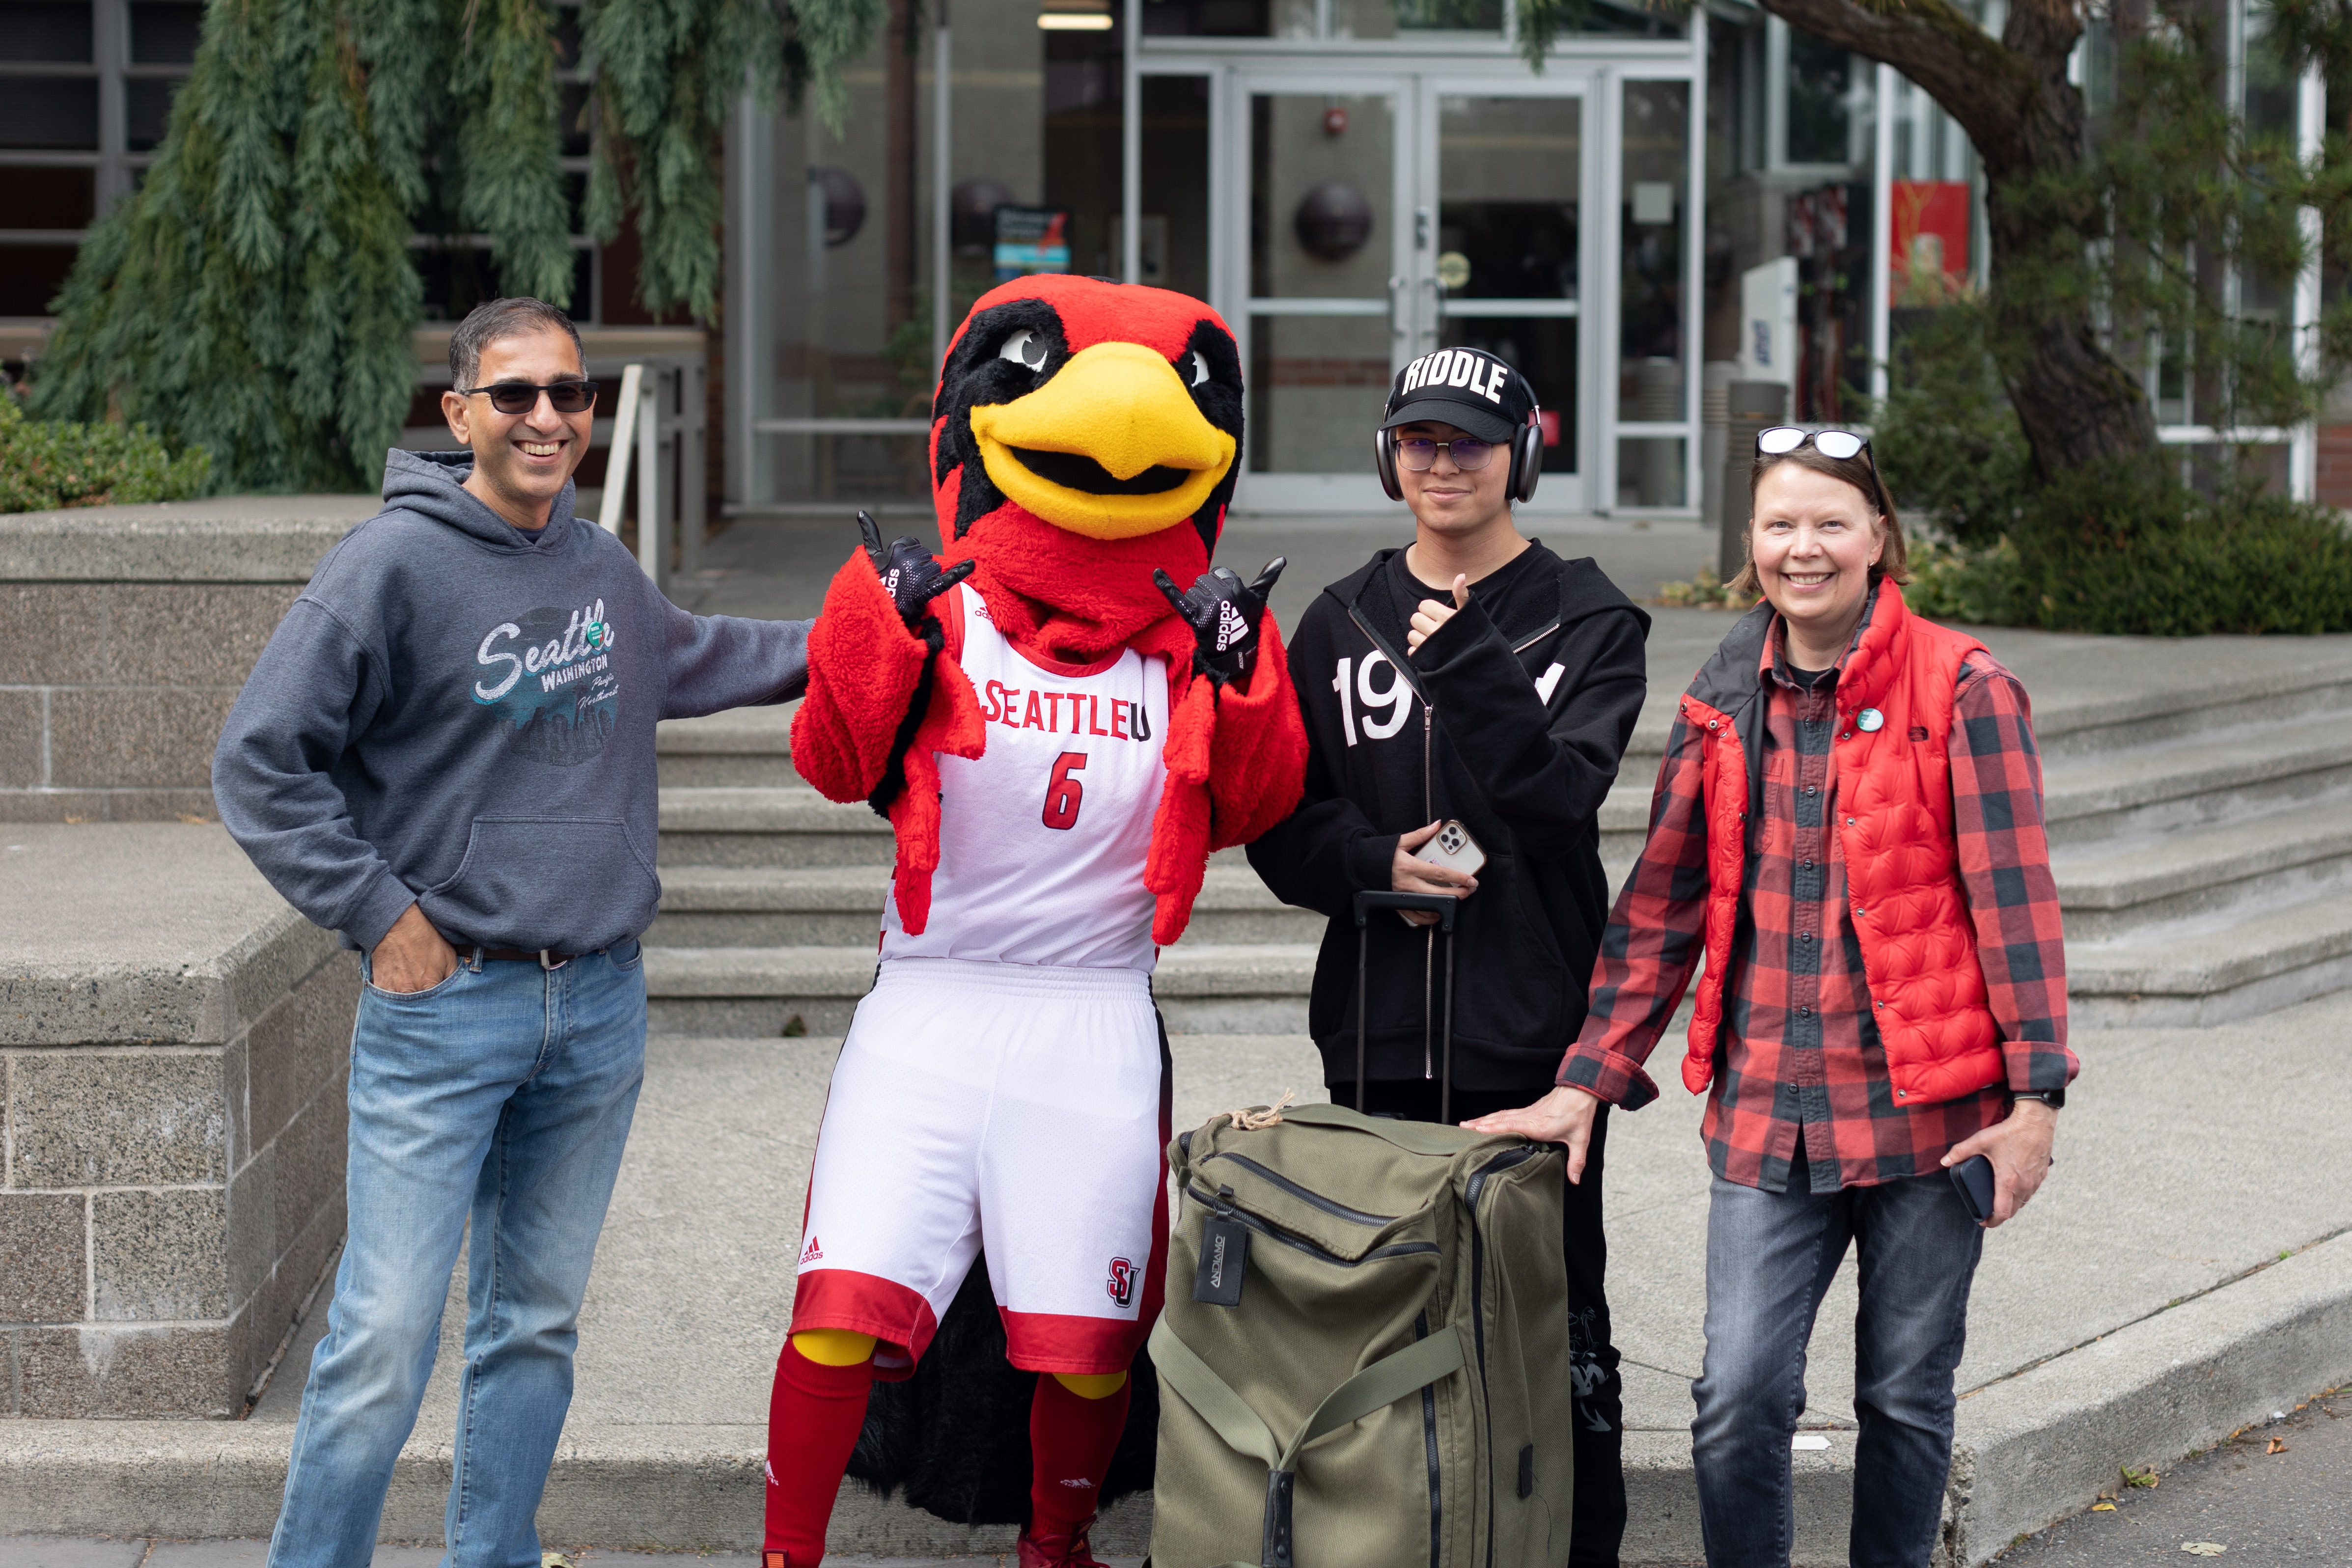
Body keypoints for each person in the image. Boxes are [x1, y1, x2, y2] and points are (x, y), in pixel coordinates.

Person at [211, 297, 815, 1568]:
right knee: (381, 1332)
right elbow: (261, 761)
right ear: (459, 413)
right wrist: (380, 913)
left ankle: (491, 1554)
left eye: (571, 395)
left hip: (594, 1008)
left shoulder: (596, 564)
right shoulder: (390, 566)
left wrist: (872, 634)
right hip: (446, 1008)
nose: (548, 417)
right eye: (517, 395)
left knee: (533, 1323)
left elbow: (707, 655)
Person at [1468, 428, 2077, 1568]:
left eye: (1831, 523)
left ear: (1879, 538)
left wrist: (2035, 1096)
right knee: (1737, 1398)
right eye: (1780, 525)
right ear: (1749, 545)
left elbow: (2016, 902)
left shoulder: (1964, 685)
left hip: (1930, 1122)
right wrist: (1584, 1079)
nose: (1806, 549)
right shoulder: (1716, 695)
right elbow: (1662, 906)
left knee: (1902, 1397)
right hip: (1763, 1112)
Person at [1247, 345, 1650, 1567]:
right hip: (1373, 1025)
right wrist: (1378, 868)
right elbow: (1282, 826)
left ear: (1521, 453)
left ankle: (1568, 1542)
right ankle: (1390, 1534)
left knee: (1545, 1311)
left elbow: (1557, 795)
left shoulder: (1589, 616)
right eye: (1419, 440)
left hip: (1528, 1033)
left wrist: (1465, 655)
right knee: (1376, 1307)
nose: (1442, 463)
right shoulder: (1335, 619)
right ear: (1387, 456)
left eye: (1470, 440)